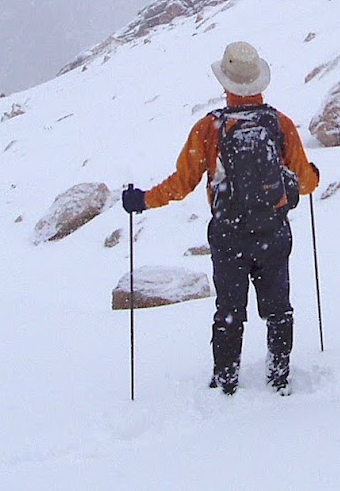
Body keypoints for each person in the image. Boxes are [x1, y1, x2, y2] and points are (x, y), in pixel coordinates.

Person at [122, 41, 319, 395]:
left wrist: (142, 201)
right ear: (259, 83)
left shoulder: (209, 129)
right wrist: (312, 176)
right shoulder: (279, 123)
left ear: (226, 84)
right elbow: (304, 181)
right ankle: (279, 375)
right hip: (273, 233)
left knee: (229, 308)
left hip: (229, 235)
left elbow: (181, 184)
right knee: (278, 308)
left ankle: (226, 379)